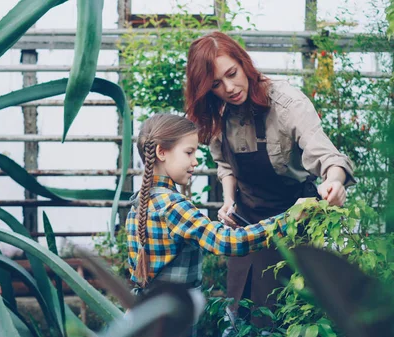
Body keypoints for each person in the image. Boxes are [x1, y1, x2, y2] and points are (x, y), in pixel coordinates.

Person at [184, 31, 356, 328]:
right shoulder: (217, 111)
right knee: (242, 314)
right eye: (216, 85)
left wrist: (335, 182)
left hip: (294, 220)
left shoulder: (287, 103)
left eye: (232, 74)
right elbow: (225, 163)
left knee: (292, 315)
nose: (229, 88)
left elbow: (330, 158)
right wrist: (228, 201)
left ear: (243, 61)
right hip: (248, 225)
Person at [126, 113, 292, 337]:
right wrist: (287, 219)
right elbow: (228, 243)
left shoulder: (138, 204)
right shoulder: (173, 205)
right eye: (189, 152)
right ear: (161, 152)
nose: (195, 161)